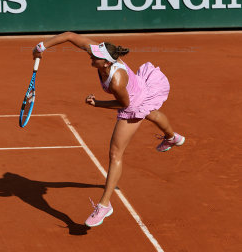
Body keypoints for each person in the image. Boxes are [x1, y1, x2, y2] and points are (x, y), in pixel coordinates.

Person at [32, 32, 185, 227]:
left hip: (132, 103)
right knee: (152, 113)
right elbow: (70, 36)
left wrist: (97, 104)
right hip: (138, 87)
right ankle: (172, 137)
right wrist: (40, 47)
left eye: (95, 56)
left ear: (106, 63)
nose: (91, 55)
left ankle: (105, 206)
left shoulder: (117, 81)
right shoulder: (103, 56)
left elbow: (123, 104)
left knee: (115, 154)